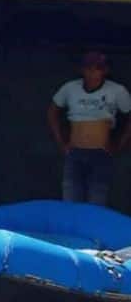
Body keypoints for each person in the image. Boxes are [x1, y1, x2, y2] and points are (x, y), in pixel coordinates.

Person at [47, 51, 131, 206]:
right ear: (82, 69)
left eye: (98, 67)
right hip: (74, 153)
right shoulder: (70, 88)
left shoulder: (117, 91)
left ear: (105, 70)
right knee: (70, 200)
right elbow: (52, 112)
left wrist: (120, 145)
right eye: (88, 67)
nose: (92, 71)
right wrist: (61, 143)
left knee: (97, 201)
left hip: (101, 153)